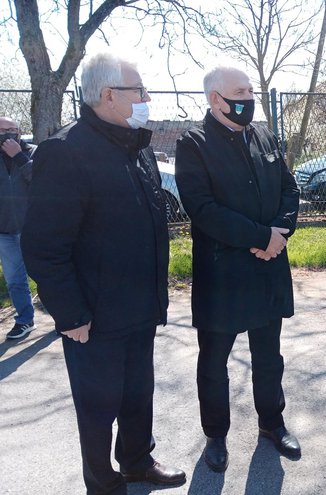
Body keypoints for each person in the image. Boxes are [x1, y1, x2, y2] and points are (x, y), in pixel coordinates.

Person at [21, 53, 185, 495]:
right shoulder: (66, 150)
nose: (147, 98)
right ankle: (103, 483)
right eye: (140, 90)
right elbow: (43, 246)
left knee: (138, 395)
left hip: (140, 307)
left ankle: (136, 461)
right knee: (98, 409)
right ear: (109, 95)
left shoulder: (139, 146)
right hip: (93, 317)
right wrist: (70, 313)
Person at [175, 66, 301, 472]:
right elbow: (203, 209)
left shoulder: (263, 134)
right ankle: (215, 435)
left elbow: (289, 187)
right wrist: (261, 237)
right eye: (240, 91)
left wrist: (279, 233)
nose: (249, 97)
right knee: (214, 363)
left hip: (268, 270)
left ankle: (272, 422)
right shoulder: (193, 143)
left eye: (250, 90)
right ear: (216, 99)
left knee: (269, 356)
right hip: (223, 276)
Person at [0, 116, 35, 340]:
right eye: (4, 130)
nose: (9, 134)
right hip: (5, 231)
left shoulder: (33, 152)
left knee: (47, 274)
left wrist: (19, 157)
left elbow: (42, 180)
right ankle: (25, 320)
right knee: (14, 279)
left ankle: (65, 316)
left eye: (13, 129)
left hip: (34, 228)